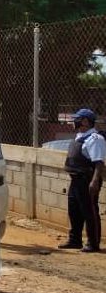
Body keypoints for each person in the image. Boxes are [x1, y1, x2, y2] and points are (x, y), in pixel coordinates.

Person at [58, 108, 105, 253]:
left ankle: (93, 242)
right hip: (76, 180)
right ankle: (75, 240)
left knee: (89, 211)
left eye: (77, 119)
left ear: (85, 121)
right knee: (74, 211)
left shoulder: (95, 139)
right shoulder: (80, 136)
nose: (74, 122)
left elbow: (99, 163)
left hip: (87, 180)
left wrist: (95, 182)